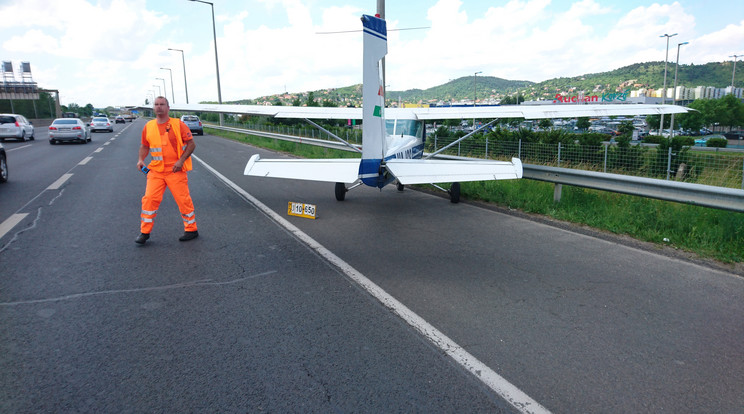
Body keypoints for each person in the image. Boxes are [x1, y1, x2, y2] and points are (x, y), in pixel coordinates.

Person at [135, 96, 198, 244]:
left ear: (168, 108)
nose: (159, 107)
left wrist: (181, 161)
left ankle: (191, 229)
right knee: (149, 200)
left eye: (162, 104)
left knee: (183, 200)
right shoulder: (148, 126)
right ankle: (144, 232)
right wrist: (140, 160)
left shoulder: (178, 125)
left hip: (175, 170)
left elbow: (191, 144)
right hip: (156, 171)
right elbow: (145, 146)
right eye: (156, 104)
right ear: (153, 108)